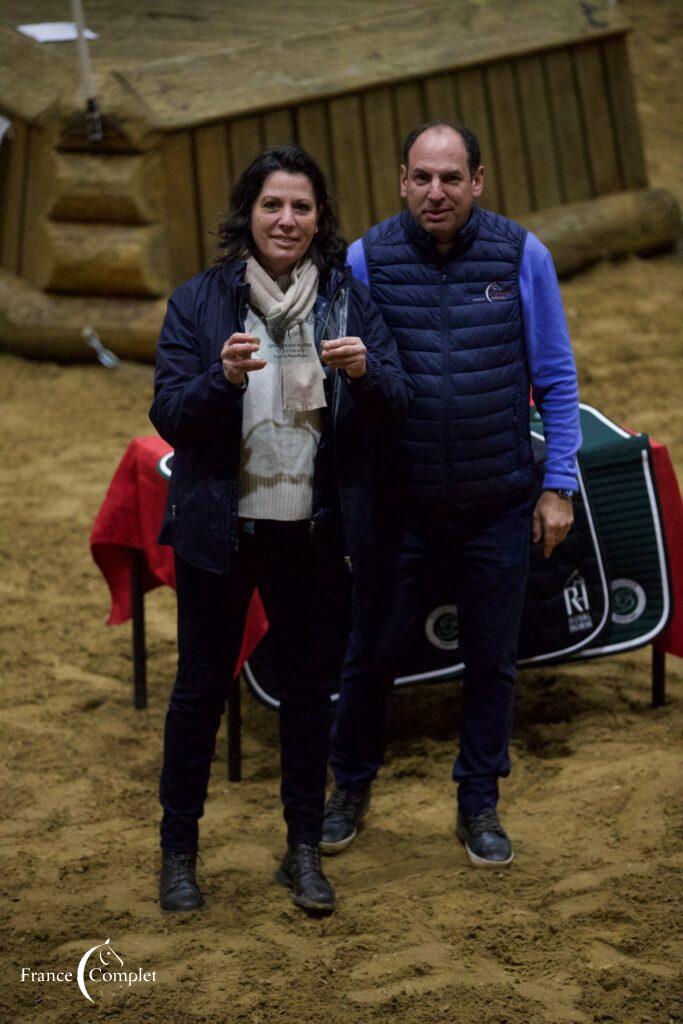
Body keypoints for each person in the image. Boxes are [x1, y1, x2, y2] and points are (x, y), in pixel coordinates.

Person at [150, 145, 409, 915]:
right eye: (272, 205)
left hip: (313, 533)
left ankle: (301, 851)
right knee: (199, 694)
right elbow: (168, 415)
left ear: (319, 217)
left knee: (306, 696)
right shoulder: (198, 303)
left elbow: (399, 400)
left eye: (301, 206)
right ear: (248, 215)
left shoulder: (347, 302)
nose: (286, 220)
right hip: (218, 533)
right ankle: (178, 854)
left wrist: (366, 374)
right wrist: (218, 380)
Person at [322, 122, 581, 868]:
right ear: (401, 180)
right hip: (399, 506)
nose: (436, 192)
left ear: (477, 181)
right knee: (368, 654)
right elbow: (349, 390)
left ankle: (478, 804)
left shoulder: (521, 255)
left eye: (450, 178)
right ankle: (349, 790)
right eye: (422, 177)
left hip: (496, 498)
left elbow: (556, 380)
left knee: (492, 661)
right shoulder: (364, 260)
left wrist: (557, 484)